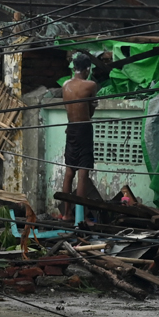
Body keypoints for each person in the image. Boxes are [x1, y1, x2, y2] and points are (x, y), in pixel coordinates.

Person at [58, 52, 99, 220]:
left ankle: (66, 213)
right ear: (87, 69)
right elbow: (90, 111)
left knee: (69, 170)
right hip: (83, 128)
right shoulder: (90, 85)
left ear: (74, 68)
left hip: (71, 127)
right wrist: (92, 106)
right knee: (83, 172)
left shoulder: (65, 85)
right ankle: (80, 217)